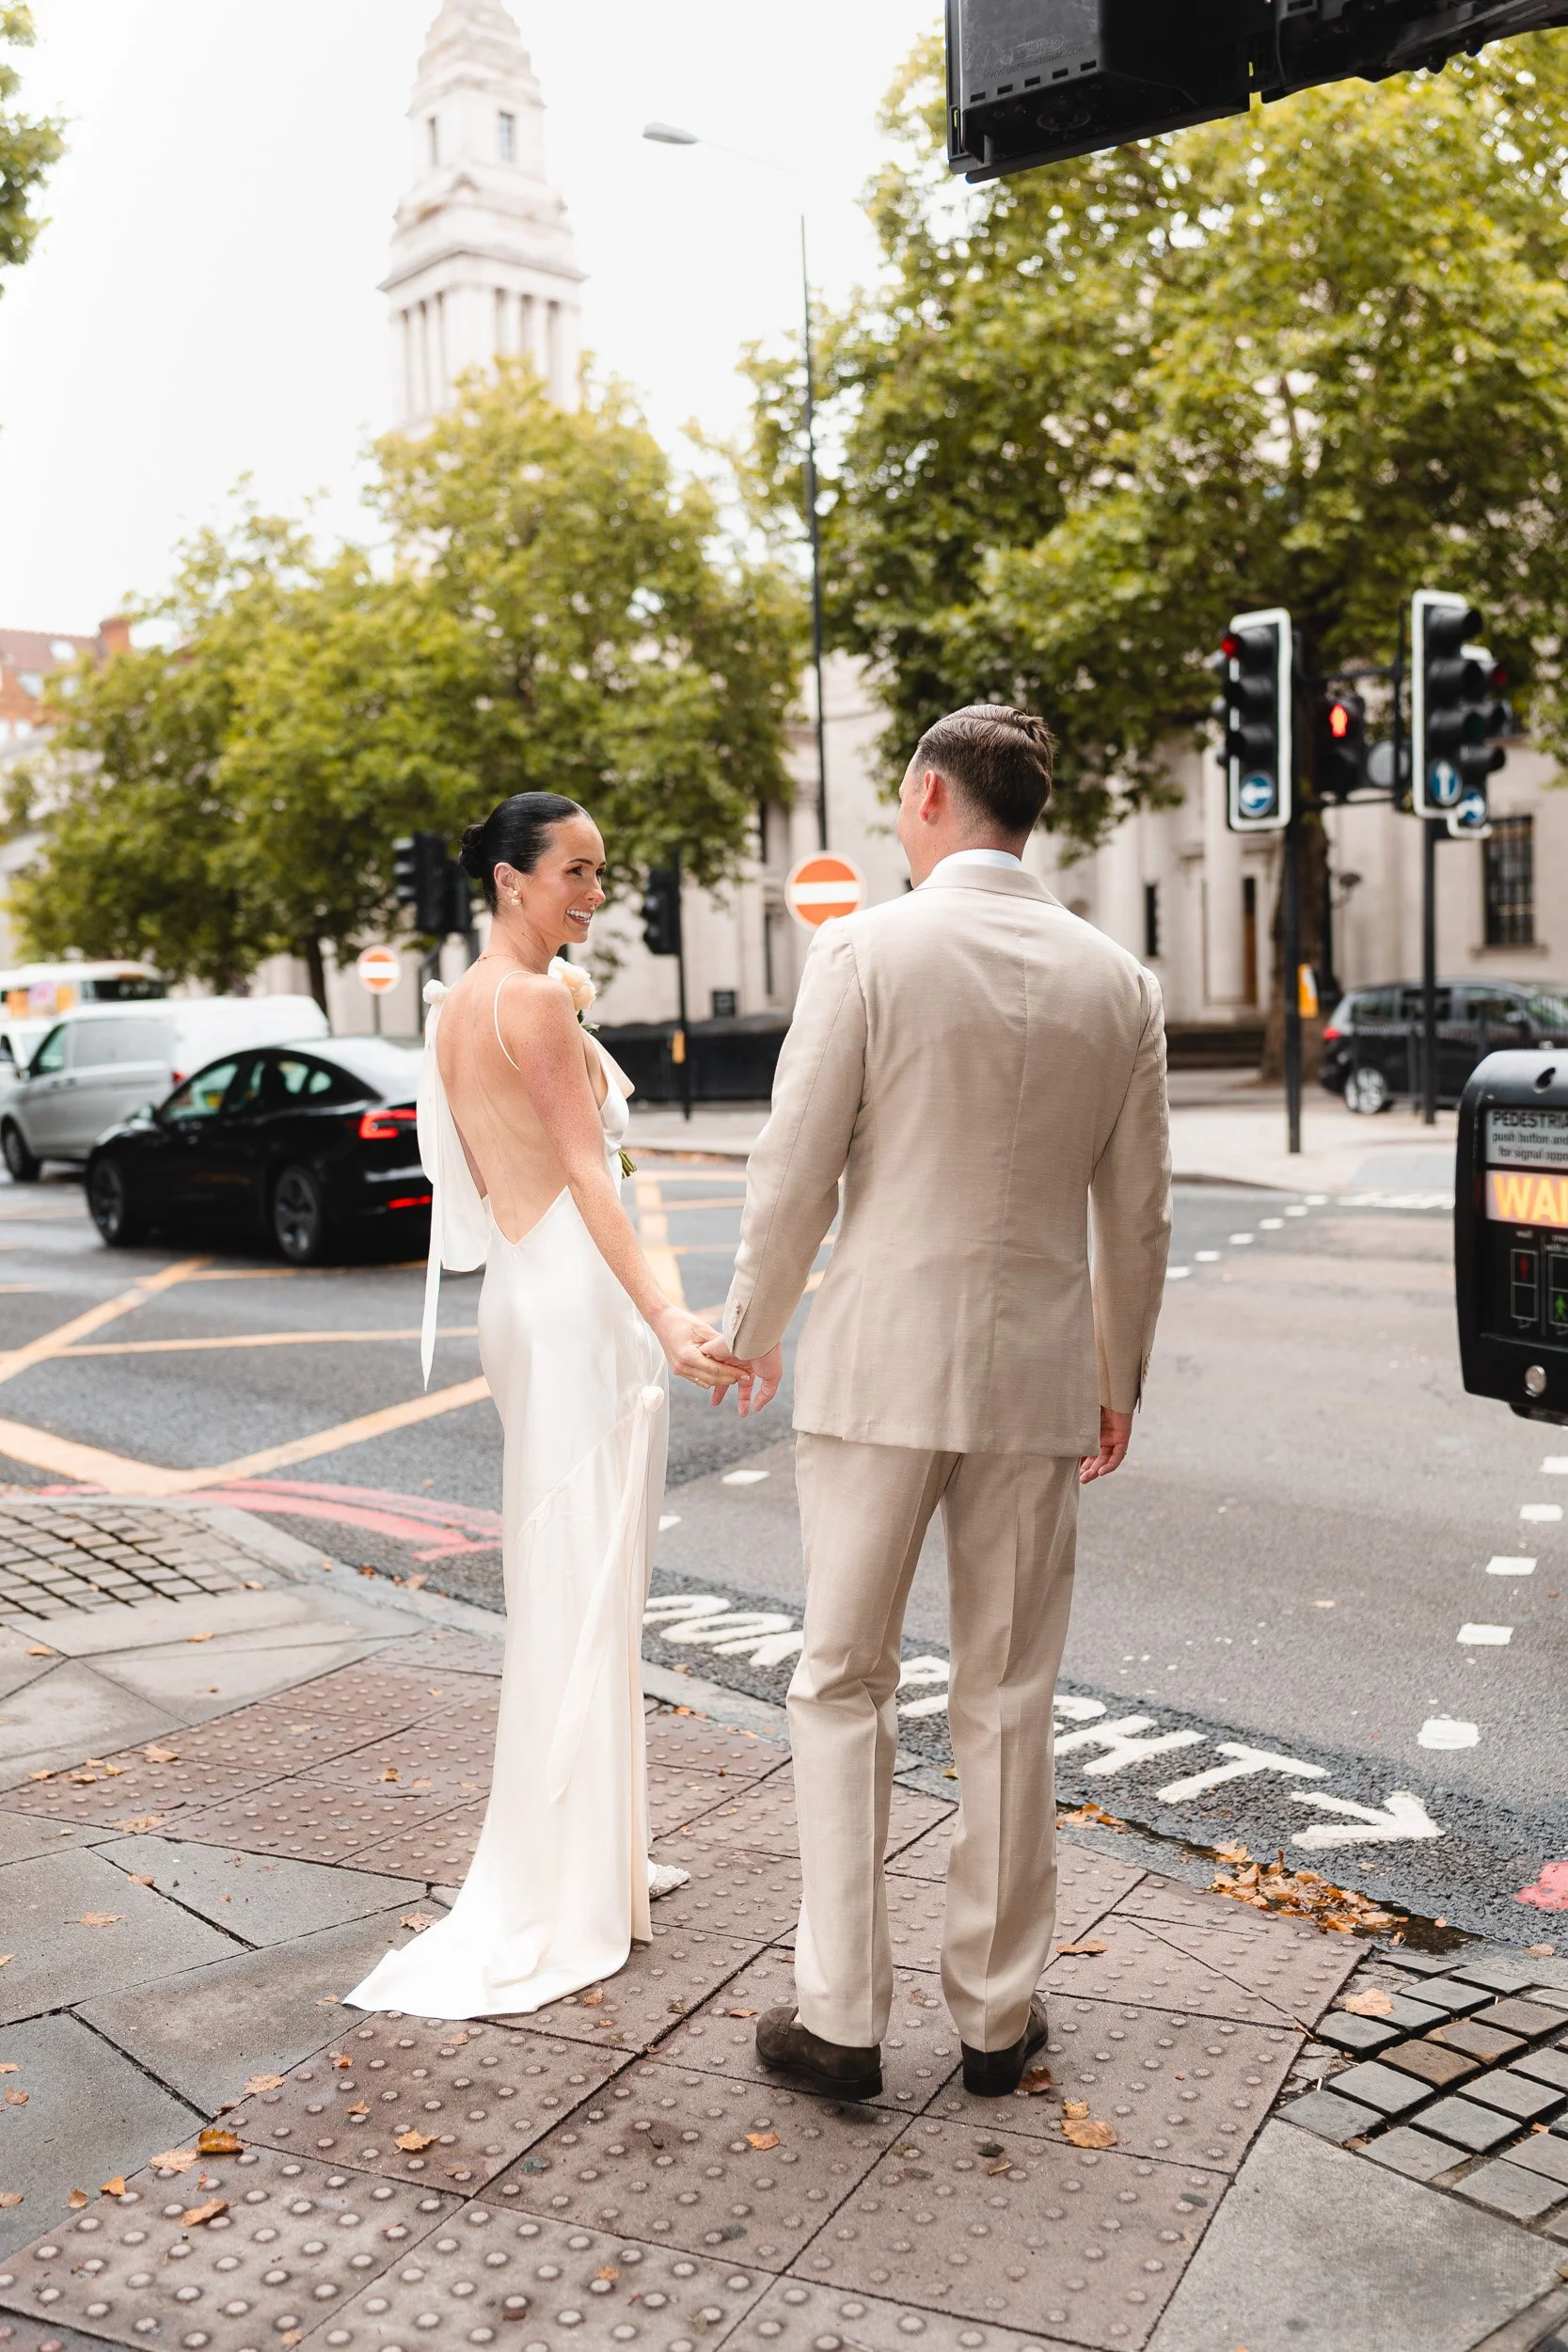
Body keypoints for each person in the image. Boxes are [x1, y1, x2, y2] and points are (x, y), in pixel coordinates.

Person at [705, 705, 1171, 2101]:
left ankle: (840, 2015)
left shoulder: (863, 950)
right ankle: (995, 2016)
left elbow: (794, 1168)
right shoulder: (1119, 983)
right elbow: (1136, 1217)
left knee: (839, 1681)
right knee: (1009, 1693)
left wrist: (748, 1329)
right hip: (1033, 1378)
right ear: (1027, 815)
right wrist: (1116, 1377)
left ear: (924, 797)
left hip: (877, 1369)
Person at [346, 792, 733, 2023]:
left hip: (519, 1293)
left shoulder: (454, 1003)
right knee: (584, 1582)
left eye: (601, 874)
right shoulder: (538, 1001)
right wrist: (670, 1319)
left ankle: (596, 1855)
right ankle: (563, 1878)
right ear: (511, 880)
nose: (592, 894)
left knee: (572, 1582)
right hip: (573, 1299)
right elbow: (589, 1173)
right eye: (573, 872)